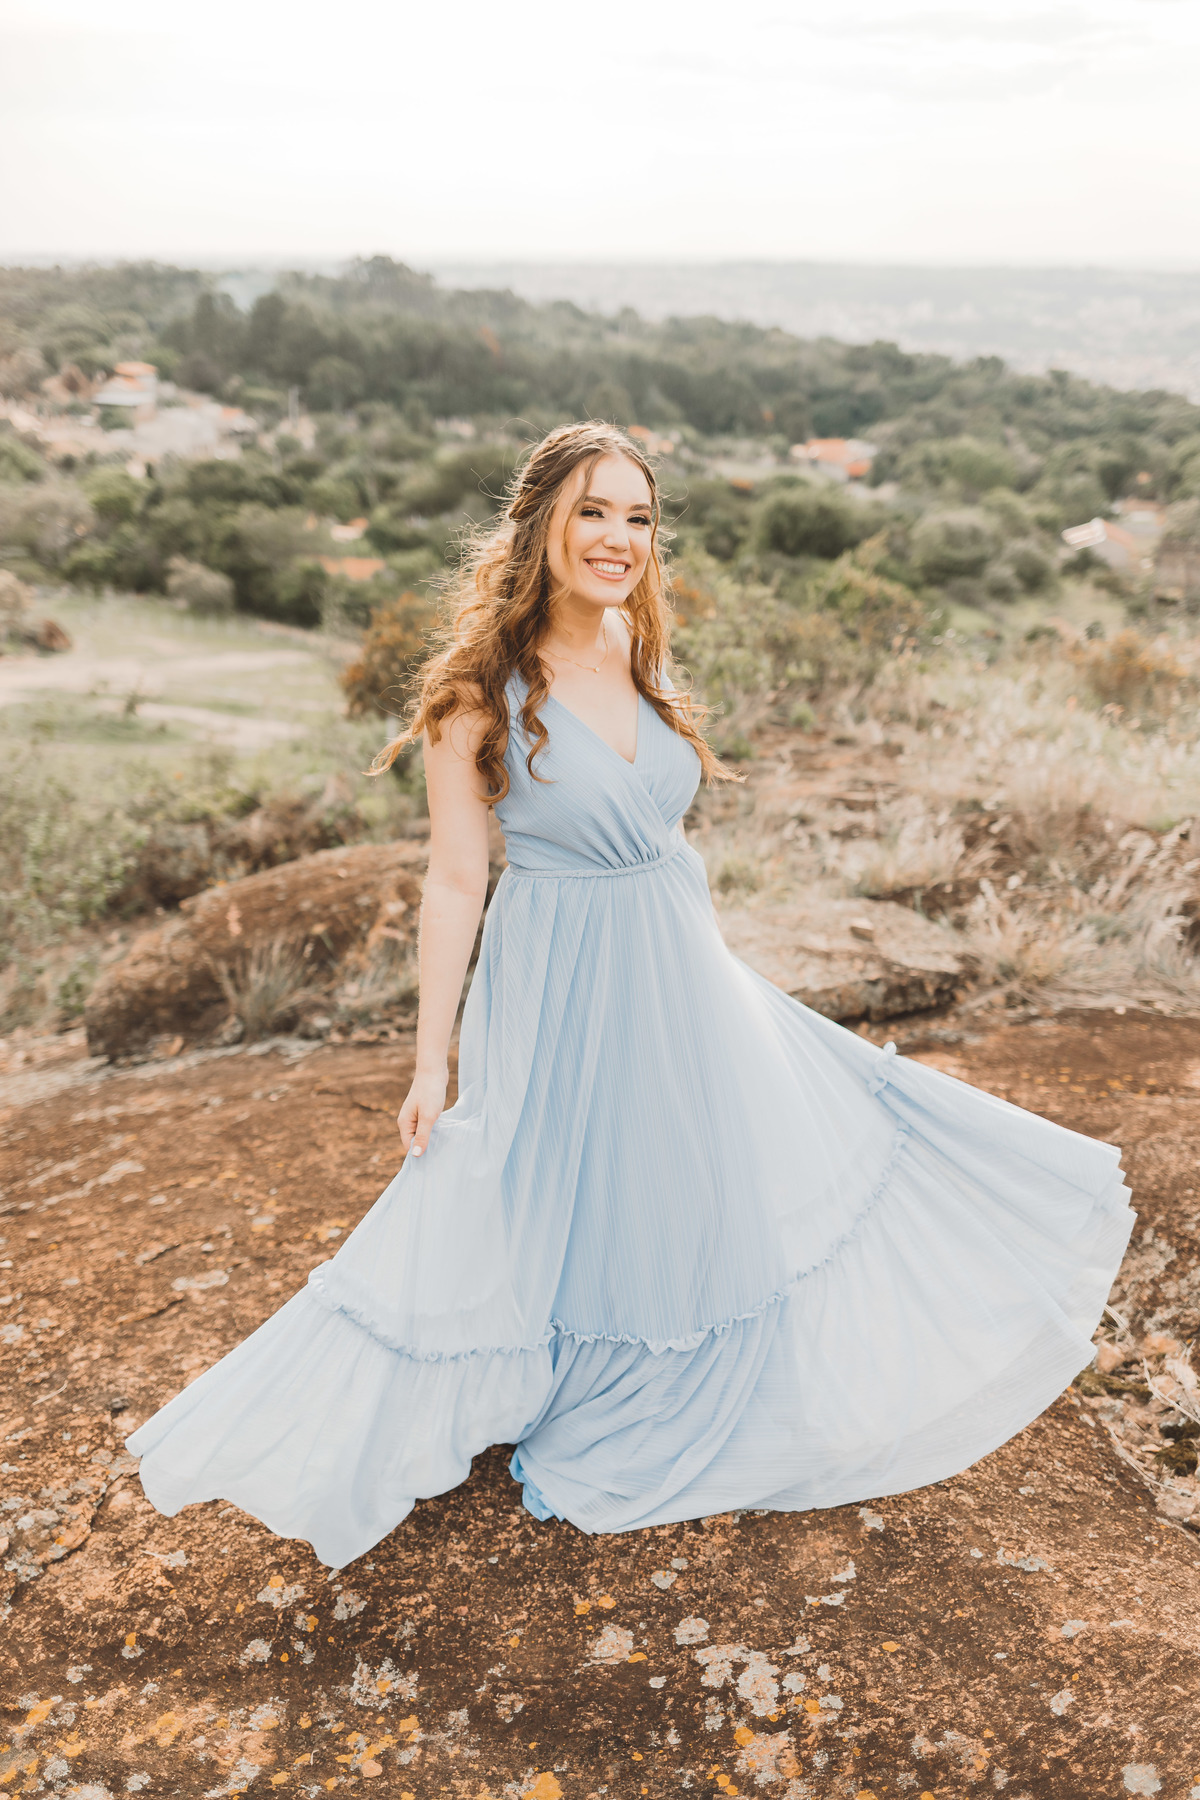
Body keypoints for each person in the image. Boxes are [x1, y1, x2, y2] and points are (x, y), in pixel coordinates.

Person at [128, 422, 1134, 1570]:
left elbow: (661, 831)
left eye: (639, 517)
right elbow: (457, 879)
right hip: (562, 967)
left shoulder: (636, 645)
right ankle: (580, 1382)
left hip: (678, 961)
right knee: (564, 1179)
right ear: (540, 526)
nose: (619, 539)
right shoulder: (476, 694)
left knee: (699, 1173)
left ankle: (695, 1376)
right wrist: (427, 1063)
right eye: (593, 513)